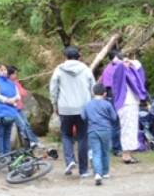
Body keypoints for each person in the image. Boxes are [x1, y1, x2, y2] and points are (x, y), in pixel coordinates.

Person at [49, 46, 94, 176]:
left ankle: (69, 161)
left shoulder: (59, 70)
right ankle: (84, 170)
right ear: (79, 56)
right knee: (82, 137)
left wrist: (54, 105)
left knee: (66, 135)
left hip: (65, 108)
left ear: (65, 57)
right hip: (83, 108)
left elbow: (53, 89)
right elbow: (93, 88)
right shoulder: (86, 70)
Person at [111, 56, 148, 164]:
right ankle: (126, 155)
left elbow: (139, 67)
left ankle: (128, 153)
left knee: (131, 129)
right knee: (127, 128)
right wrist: (121, 62)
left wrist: (130, 62)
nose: (129, 64)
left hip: (130, 103)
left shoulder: (128, 73)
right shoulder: (119, 71)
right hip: (126, 104)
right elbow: (119, 66)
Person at [82, 84, 118, 186]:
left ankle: (98, 173)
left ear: (92, 93)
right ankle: (105, 172)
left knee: (96, 152)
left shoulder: (88, 104)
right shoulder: (107, 104)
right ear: (105, 94)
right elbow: (114, 118)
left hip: (92, 131)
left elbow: (83, 117)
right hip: (106, 130)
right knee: (105, 151)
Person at [98, 48, 124, 154]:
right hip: (115, 96)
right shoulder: (117, 67)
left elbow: (101, 81)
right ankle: (117, 148)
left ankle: (111, 146)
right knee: (116, 123)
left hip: (107, 96)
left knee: (112, 123)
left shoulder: (107, 68)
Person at [0, 64, 20, 156]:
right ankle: (1, 155)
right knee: (0, 134)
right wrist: (7, 100)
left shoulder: (11, 83)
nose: (4, 71)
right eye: (1, 70)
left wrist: (14, 100)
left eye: (5, 70)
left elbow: (18, 95)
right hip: (0, 112)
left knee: (7, 135)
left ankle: (7, 154)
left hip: (10, 112)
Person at [8, 66, 40, 147]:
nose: (16, 75)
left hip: (19, 107)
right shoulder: (11, 83)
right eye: (15, 74)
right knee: (23, 125)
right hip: (13, 108)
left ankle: (33, 141)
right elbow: (22, 93)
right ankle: (31, 141)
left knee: (26, 125)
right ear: (10, 75)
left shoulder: (15, 82)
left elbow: (23, 93)